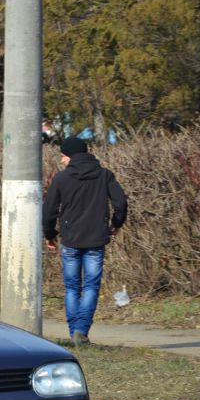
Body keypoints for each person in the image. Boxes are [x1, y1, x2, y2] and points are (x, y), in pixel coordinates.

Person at [43, 136, 128, 346]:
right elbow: (121, 203)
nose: (62, 160)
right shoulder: (104, 175)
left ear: (70, 155)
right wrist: (117, 224)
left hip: (70, 240)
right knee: (91, 286)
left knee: (72, 288)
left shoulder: (62, 179)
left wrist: (50, 234)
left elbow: (49, 210)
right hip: (96, 239)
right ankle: (81, 330)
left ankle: (75, 332)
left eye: (63, 156)